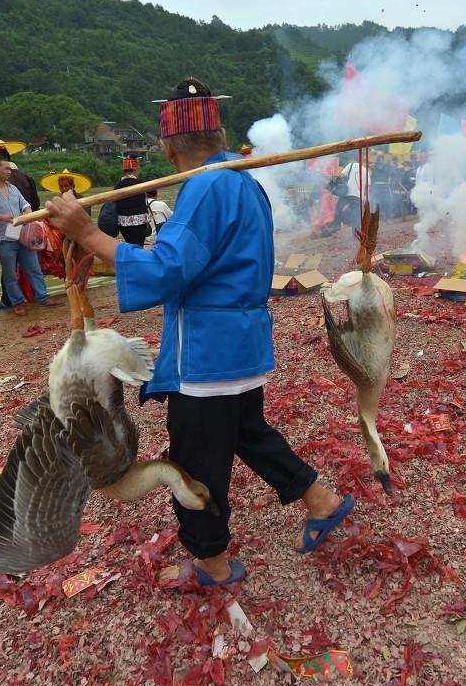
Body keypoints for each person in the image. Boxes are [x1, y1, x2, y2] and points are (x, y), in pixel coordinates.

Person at [44, 78, 351, 588]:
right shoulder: (242, 180)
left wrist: (87, 233)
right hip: (243, 343)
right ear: (221, 132)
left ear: (166, 148)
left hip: (208, 351)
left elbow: (167, 270)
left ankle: (211, 563)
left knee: (195, 460)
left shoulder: (207, 185)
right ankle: (322, 501)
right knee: (249, 434)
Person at [0, 153, 51, 315]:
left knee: (34, 268)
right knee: (10, 273)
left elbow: (25, 204)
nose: (10, 171)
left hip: (22, 234)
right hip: (4, 239)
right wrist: (0, 217)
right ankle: (17, 302)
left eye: (10, 168)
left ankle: (43, 297)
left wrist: (28, 213)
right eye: (6, 168)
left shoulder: (12, 188)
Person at [113, 155, 152, 247]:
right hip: (140, 222)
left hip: (123, 223)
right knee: (138, 245)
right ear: (135, 169)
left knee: (130, 244)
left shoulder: (118, 185)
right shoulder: (141, 183)